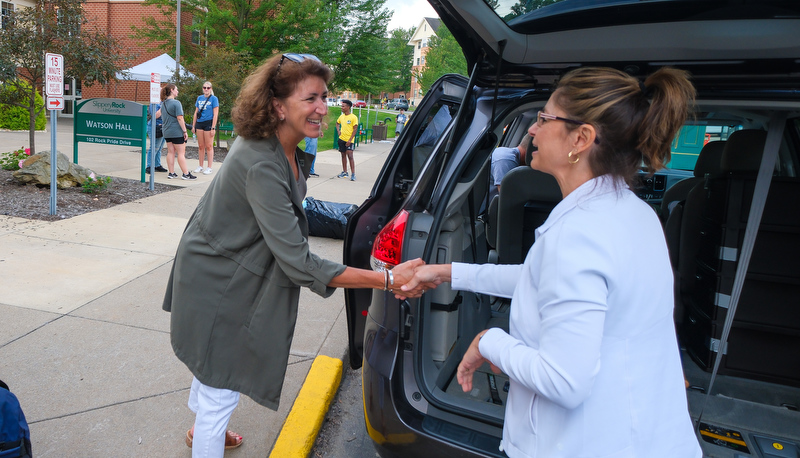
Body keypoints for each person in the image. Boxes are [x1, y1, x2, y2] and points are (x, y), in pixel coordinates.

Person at [400, 67, 701, 458]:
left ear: (581, 138)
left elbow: (564, 380)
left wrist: (488, 342)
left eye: (544, 119)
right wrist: (446, 272)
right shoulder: (633, 213)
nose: (532, 130)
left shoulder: (578, 234)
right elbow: (541, 279)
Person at [162, 52, 425, 458]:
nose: (323, 107)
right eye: (311, 99)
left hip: (228, 265)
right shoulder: (260, 161)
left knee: (212, 366)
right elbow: (301, 263)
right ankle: (207, 431)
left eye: (325, 96)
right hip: (217, 279)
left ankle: (201, 430)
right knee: (220, 381)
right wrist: (388, 279)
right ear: (278, 106)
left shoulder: (285, 146)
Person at [158, 84, 195, 180]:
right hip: (176, 131)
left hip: (166, 132)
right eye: (176, 89)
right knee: (181, 153)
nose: (178, 91)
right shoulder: (176, 103)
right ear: (172, 90)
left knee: (170, 152)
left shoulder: (163, 104)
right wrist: (184, 131)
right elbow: (180, 118)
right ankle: (186, 174)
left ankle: (171, 173)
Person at [192, 81, 220, 175]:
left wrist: (213, 127)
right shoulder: (199, 98)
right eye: (204, 87)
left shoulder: (214, 99)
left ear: (211, 89)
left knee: (209, 146)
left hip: (209, 122)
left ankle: (209, 167)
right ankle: (200, 165)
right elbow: (196, 112)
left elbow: (215, 113)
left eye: (208, 88)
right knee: (201, 146)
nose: (206, 89)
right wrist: (193, 125)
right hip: (200, 123)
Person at [335, 99, 358, 181]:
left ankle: (353, 174)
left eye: (343, 106)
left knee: (350, 156)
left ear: (348, 107)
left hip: (349, 140)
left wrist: (350, 140)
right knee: (343, 155)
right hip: (341, 139)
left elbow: (355, 129)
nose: (342, 107)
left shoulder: (353, 117)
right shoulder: (341, 116)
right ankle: (344, 172)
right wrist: (338, 130)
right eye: (342, 106)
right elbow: (337, 123)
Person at [145, 102, 168, 173]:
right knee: (154, 147)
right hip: (155, 127)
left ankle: (157, 165)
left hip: (164, 127)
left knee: (160, 148)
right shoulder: (154, 103)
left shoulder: (165, 102)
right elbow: (155, 116)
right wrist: (163, 108)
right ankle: (149, 166)